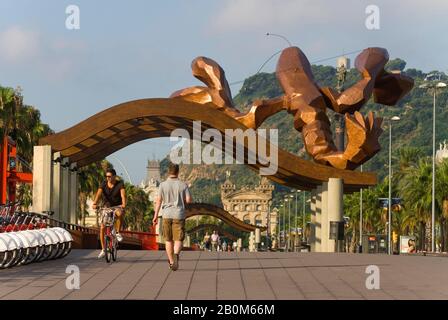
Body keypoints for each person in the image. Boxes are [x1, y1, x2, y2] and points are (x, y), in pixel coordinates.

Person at [153, 162, 192, 271]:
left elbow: (158, 201)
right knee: (179, 239)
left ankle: (171, 261)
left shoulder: (162, 185)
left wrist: (155, 215)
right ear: (178, 172)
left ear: (168, 172)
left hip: (166, 214)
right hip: (179, 214)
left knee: (168, 239)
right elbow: (188, 200)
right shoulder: (183, 185)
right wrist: (182, 200)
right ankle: (176, 254)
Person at [92, 168, 126, 259]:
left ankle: (118, 232)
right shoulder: (103, 184)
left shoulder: (120, 184)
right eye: (106, 176)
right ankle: (103, 249)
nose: (108, 178)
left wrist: (123, 204)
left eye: (110, 176)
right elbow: (99, 194)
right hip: (106, 206)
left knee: (120, 214)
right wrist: (95, 203)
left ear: (114, 176)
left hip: (117, 206)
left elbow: (123, 195)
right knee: (103, 227)